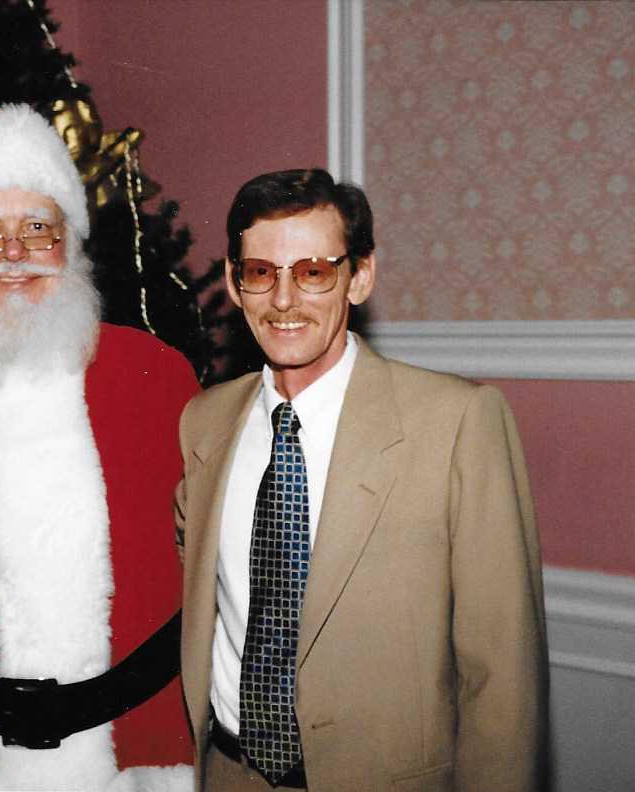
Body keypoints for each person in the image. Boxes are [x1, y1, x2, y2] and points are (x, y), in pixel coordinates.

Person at [176, 169, 548, 791]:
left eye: (314, 271)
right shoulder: (204, 422)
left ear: (360, 277)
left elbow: (502, 677)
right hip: (226, 775)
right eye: (262, 272)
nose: (285, 300)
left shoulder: (456, 422)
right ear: (237, 285)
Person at [0, 104, 198, 791]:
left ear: (71, 244)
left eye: (37, 229)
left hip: (139, 750)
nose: (14, 253)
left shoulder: (157, 374)